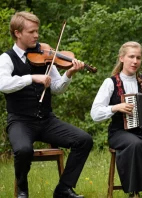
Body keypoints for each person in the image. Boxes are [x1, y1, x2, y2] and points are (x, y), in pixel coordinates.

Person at [0, 11, 93, 198]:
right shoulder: (6, 59)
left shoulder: (44, 54)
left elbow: (57, 88)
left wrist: (69, 73)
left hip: (46, 120)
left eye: (37, 31)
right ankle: (22, 190)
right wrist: (31, 77)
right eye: (31, 31)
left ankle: (63, 189)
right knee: (23, 150)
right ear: (18, 33)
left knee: (84, 140)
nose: (36, 35)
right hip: (20, 121)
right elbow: (3, 85)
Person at [90, 41, 142, 198]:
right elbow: (95, 113)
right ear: (122, 58)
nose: (135, 61)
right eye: (131, 57)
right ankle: (134, 191)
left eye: (138, 58)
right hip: (120, 131)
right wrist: (115, 107)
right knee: (134, 144)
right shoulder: (110, 83)